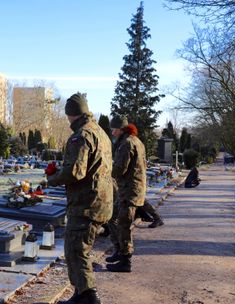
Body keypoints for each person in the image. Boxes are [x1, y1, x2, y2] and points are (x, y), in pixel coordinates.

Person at [46, 92, 113, 304]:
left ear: (71, 114)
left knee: (76, 250)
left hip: (86, 203)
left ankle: (88, 296)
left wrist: (53, 178)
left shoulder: (80, 135)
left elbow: (75, 171)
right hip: (101, 201)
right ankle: (81, 293)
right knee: (80, 248)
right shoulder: (100, 132)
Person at [106, 115, 147, 272]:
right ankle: (119, 250)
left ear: (120, 129)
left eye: (114, 129)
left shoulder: (127, 143)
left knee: (124, 225)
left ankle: (126, 261)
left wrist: (105, 169)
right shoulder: (135, 141)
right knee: (112, 218)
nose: (112, 132)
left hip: (130, 191)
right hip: (130, 190)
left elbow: (120, 169)